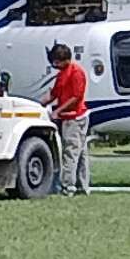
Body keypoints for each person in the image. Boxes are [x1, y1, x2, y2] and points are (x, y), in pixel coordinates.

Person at [46, 42, 92, 196]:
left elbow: (76, 97)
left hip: (75, 118)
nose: (54, 64)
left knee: (71, 152)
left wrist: (58, 111)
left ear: (64, 59)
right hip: (67, 117)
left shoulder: (76, 72)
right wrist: (38, 105)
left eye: (56, 61)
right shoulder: (61, 74)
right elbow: (54, 94)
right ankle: (82, 185)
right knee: (80, 152)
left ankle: (68, 186)